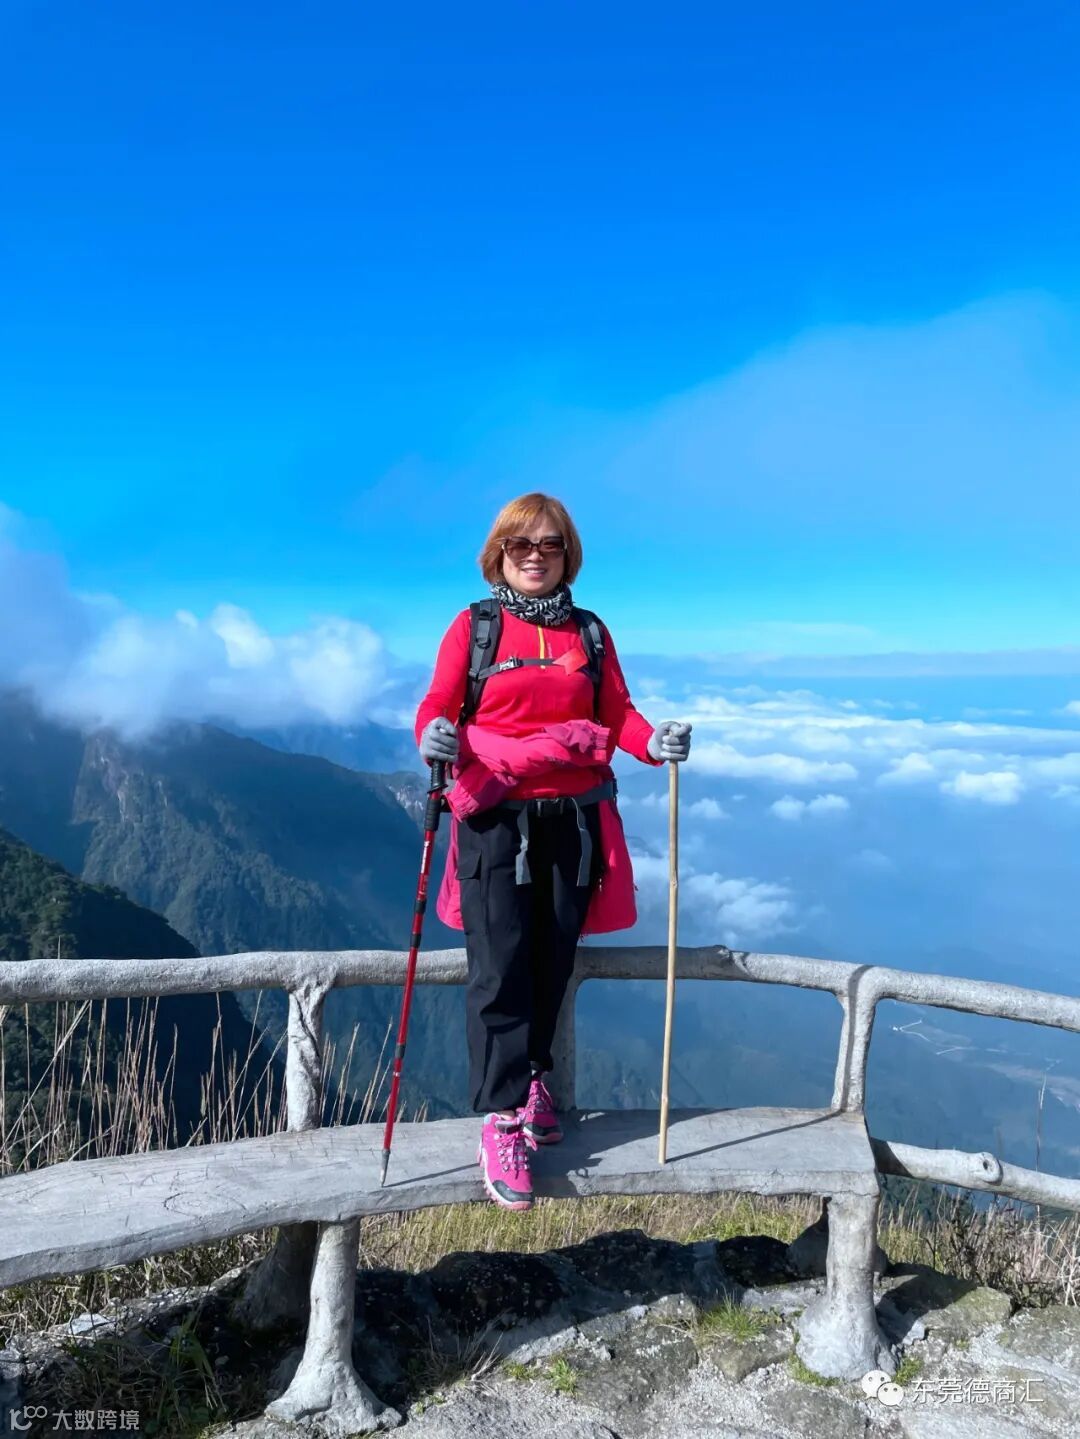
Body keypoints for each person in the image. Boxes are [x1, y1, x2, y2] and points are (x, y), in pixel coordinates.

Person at [414, 492, 691, 1210]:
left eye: (549, 544)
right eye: (520, 544)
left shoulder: (589, 632)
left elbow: (616, 713)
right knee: (499, 965)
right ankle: (503, 1118)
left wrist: (654, 743)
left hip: (573, 822)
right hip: (495, 822)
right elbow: (438, 706)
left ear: (569, 554)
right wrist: (432, 736)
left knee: (552, 959)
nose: (534, 556)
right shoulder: (475, 627)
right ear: (498, 554)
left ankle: (534, 1077)